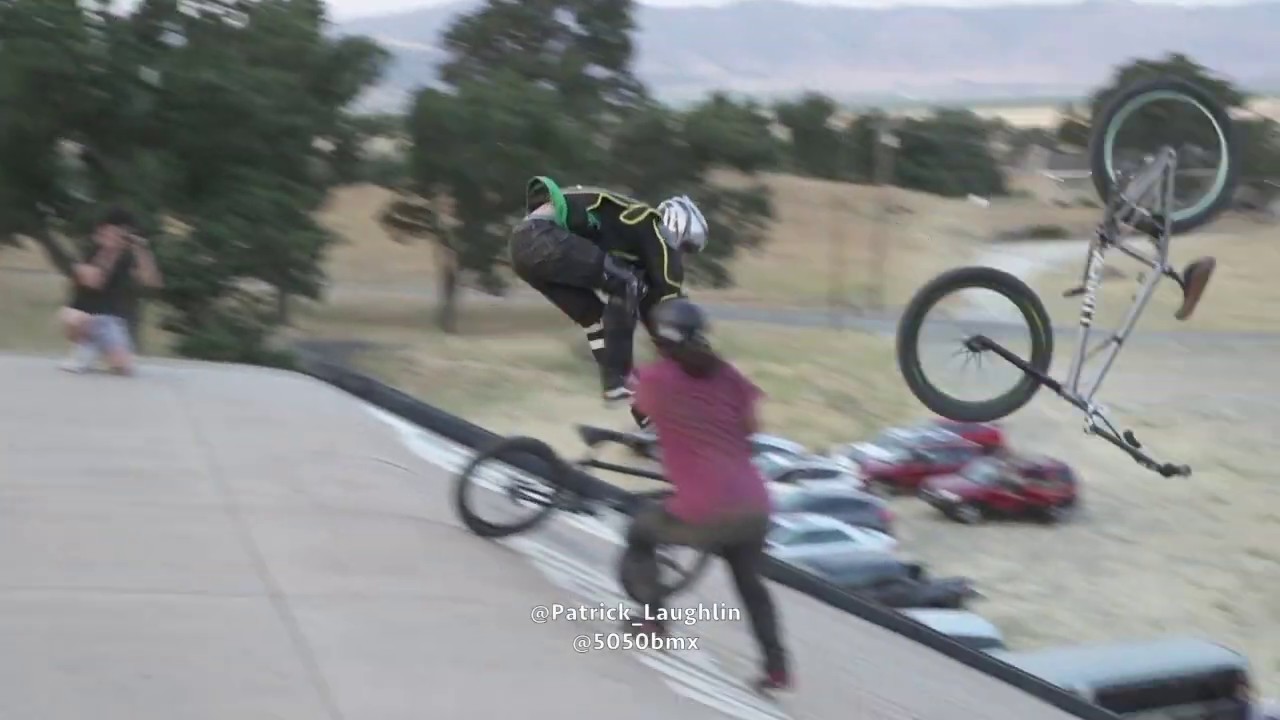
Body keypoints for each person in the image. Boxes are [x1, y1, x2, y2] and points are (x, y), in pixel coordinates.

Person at [619, 298, 790, 692]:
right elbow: (750, 428)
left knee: (641, 531)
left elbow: (641, 410)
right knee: (750, 584)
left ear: (661, 340)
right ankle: (777, 667)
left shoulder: (657, 379)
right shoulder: (729, 376)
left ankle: (652, 619)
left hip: (705, 507)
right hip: (753, 504)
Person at [509, 176, 709, 427]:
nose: (684, 257)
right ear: (677, 225)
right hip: (541, 237)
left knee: (597, 318)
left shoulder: (631, 240)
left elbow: (653, 309)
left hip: (524, 250)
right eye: (687, 248)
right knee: (627, 283)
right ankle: (616, 381)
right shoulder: (652, 224)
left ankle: (644, 413)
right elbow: (669, 299)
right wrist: (699, 355)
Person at [59, 206, 163, 375]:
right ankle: (84, 349)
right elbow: (94, 280)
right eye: (114, 232)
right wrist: (109, 250)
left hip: (110, 319)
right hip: (83, 315)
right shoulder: (90, 250)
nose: (118, 238)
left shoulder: (127, 257)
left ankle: (94, 348)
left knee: (124, 368)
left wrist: (141, 250)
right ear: (102, 230)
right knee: (72, 318)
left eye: (123, 234)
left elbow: (151, 282)